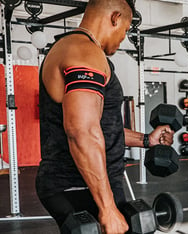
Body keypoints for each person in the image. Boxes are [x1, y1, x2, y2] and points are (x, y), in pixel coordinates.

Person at [35, 1, 175, 234]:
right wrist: (107, 208)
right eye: (126, 29)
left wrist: (146, 140)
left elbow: (96, 126)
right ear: (115, 18)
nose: (123, 37)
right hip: (79, 186)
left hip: (83, 185)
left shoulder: (77, 49)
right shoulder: (84, 52)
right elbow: (82, 133)